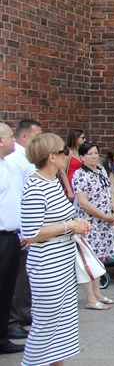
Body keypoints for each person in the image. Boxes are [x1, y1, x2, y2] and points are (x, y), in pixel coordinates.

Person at [20, 133, 92, 365]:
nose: (67, 155)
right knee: (46, 324)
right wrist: (68, 225)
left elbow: (57, 220)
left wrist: (76, 226)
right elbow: (31, 233)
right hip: (47, 264)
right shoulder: (35, 187)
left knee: (62, 326)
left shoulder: (52, 183)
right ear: (52, 157)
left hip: (62, 261)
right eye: (64, 151)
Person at [5, 119, 41, 342]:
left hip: (21, 226)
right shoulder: (15, 158)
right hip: (15, 227)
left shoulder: (23, 157)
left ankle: (23, 313)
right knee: (17, 277)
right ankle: (13, 320)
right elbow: (18, 196)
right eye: (37, 136)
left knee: (23, 273)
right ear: (25, 137)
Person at [72, 141, 114, 308]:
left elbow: (109, 192)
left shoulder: (101, 171)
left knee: (98, 258)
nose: (93, 156)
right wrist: (104, 217)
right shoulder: (80, 175)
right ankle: (90, 298)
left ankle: (98, 292)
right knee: (88, 260)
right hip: (89, 223)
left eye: (95, 153)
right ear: (82, 157)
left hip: (104, 222)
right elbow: (83, 202)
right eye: (89, 154)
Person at [0, 123, 24, 355]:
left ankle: (2, 337)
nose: (14, 142)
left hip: (11, 235)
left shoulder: (8, 164)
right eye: (10, 138)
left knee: (6, 288)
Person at [60, 129, 85, 201]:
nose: (84, 140)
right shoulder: (67, 152)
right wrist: (69, 190)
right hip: (70, 181)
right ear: (76, 138)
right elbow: (62, 172)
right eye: (82, 138)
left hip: (80, 181)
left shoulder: (80, 152)